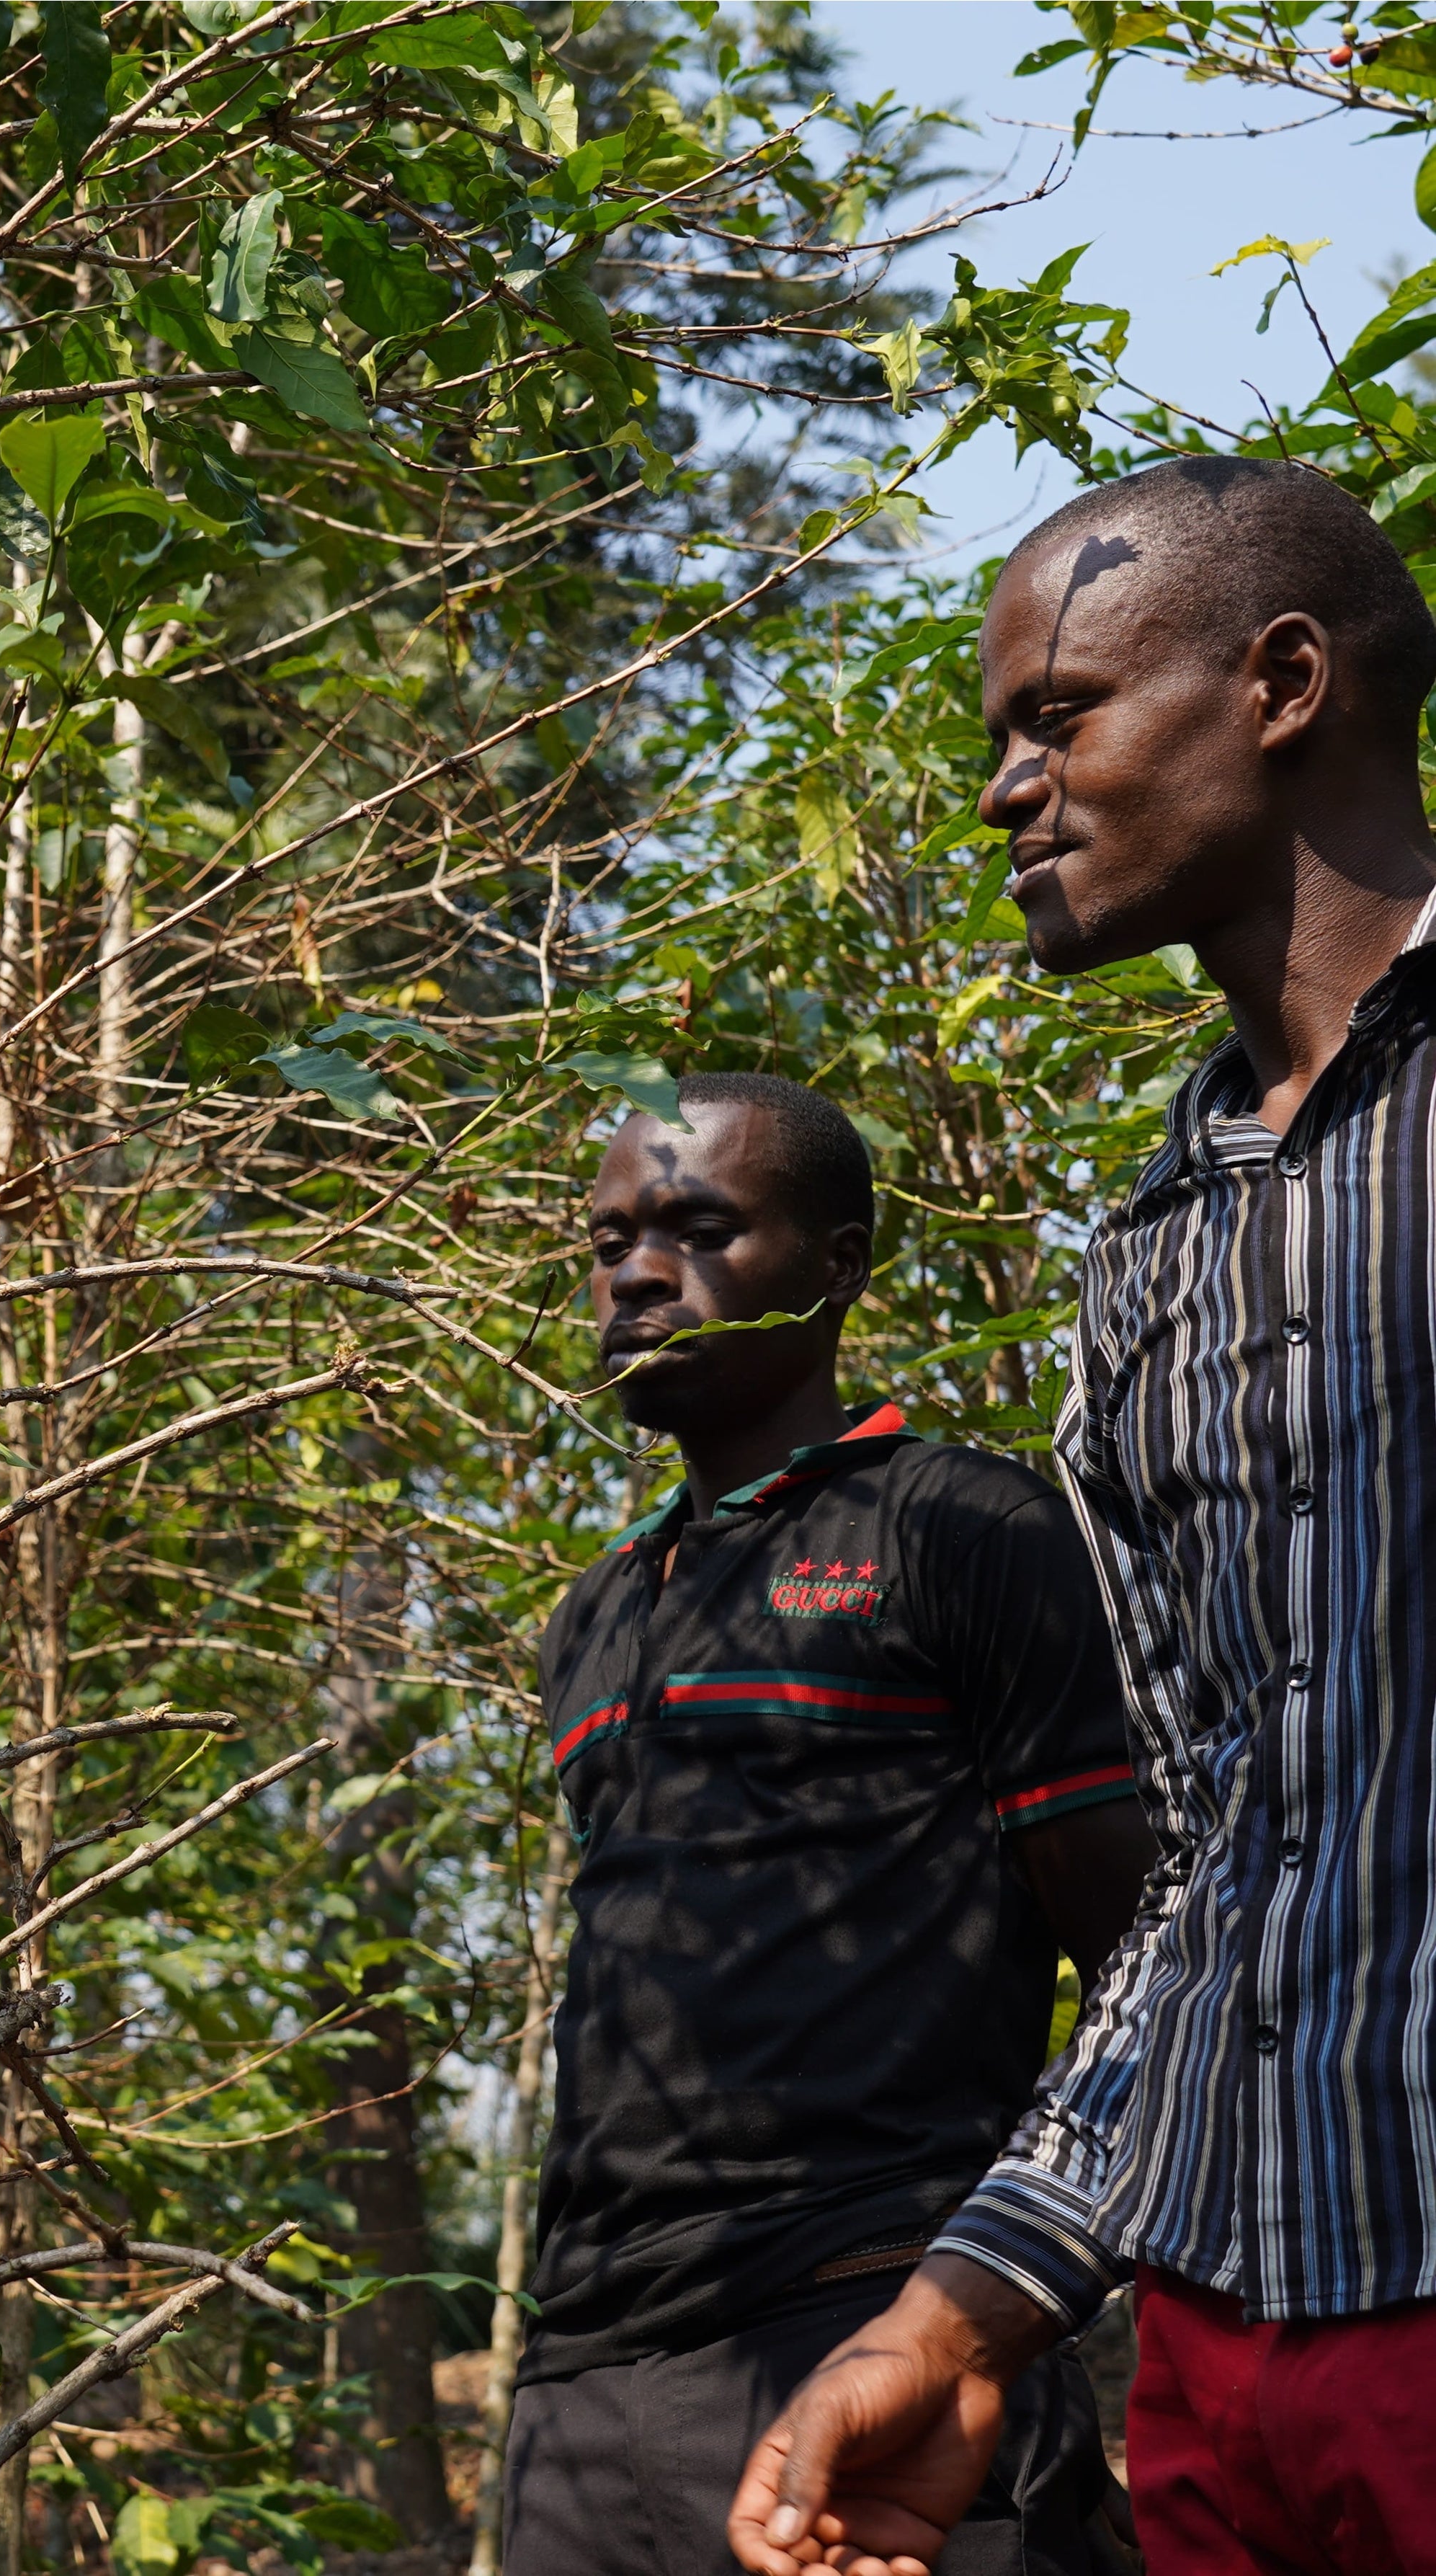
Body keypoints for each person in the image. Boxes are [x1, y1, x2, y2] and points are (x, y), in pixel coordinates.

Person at [727, 458, 1436, 2576]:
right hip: (1225, 2366)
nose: (999, 791)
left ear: (1281, 682)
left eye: (1057, 716)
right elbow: (1224, 1860)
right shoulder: (1147, 1257)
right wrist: (966, 2313)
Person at [505, 1072, 1154, 2576]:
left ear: (839, 1261)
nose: (636, 1272)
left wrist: (997, 2303)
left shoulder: (960, 1527)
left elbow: (1142, 1957)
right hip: (582, 2376)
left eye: (700, 1226)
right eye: (607, 1243)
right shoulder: (596, 1613)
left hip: (873, 2319)